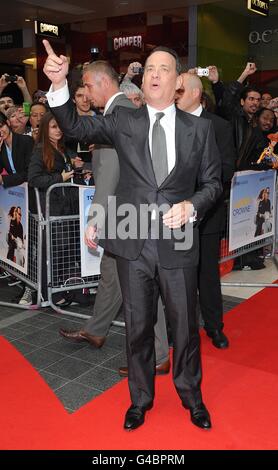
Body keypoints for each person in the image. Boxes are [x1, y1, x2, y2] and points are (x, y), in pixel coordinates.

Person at [43, 40, 222, 431]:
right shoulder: (125, 120)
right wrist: (58, 85)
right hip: (132, 240)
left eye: (164, 68)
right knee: (138, 327)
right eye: (150, 69)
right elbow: (74, 125)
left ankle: (192, 396)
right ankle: (140, 400)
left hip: (178, 241)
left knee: (185, 327)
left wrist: (193, 205)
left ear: (177, 82)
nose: (155, 74)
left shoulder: (200, 129)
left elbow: (212, 183)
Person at [59, 60, 170, 375]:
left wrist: (94, 219)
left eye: (88, 87)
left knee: (144, 287)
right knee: (112, 274)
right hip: (132, 215)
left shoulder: (116, 115)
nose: (86, 94)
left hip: (126, 219)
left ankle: (159, 354)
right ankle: (96, 329)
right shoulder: (126, 113)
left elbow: (109, 177)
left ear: (102, 83)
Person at [175, 72, 236, 349]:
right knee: (176, 274)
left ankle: (214, 327)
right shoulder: (168, 123)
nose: (174, 96)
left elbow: (225, 170)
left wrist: (196, 191)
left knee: (207, 274)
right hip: (174, 214)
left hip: (207, 213)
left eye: (179, 91)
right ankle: (177, 328)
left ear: (196, 93)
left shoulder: (219, 126)